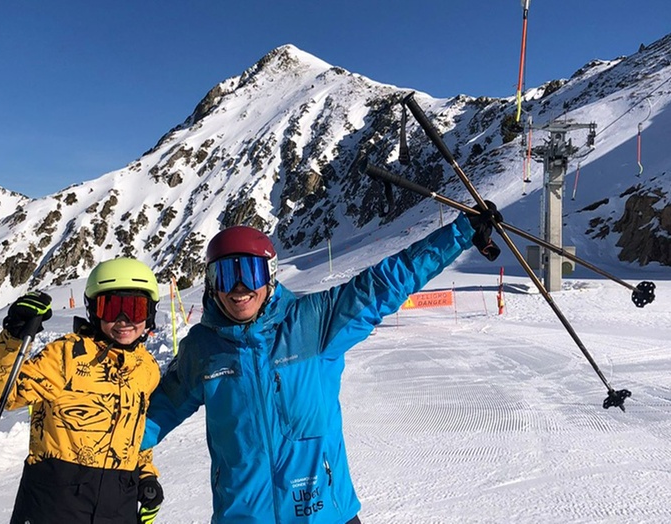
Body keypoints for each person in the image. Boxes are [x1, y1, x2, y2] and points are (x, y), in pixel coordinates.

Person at [140, 205, 502, 523]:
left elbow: (383, 283)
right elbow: (152, 417)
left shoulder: (312, 322)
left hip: (324, 513)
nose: (238, 288)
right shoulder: (202, 349)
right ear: (210, 283)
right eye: (225, 274)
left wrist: (457, 235)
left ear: (270, 273)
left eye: (249, 272)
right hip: (242, 516)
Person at [0, 258, 166, 524]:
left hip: (117, 506)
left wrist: (145, 475)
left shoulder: (147, 368)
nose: (123, 321)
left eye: (134, 309)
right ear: (93, 310)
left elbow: (136, 430)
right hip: (55, 503)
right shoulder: (66, 355)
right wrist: (15, 336)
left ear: (149, 314)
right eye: (111, 308)